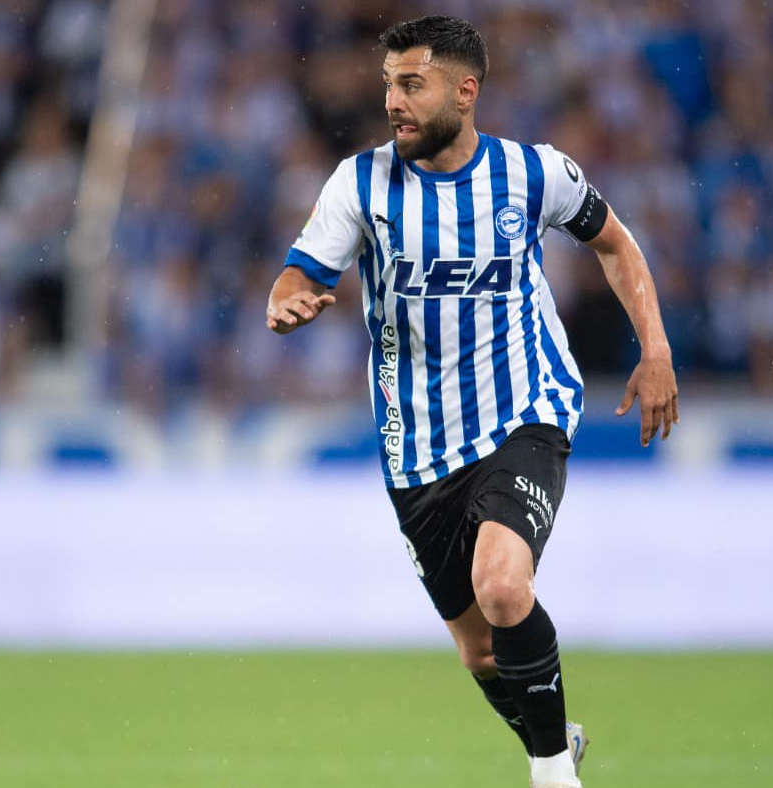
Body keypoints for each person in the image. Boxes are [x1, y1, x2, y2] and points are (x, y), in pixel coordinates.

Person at [264, 16, 678, 788]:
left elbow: (616, 244)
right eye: (388, 84)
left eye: (411, 84)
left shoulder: (535, 174)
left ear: (465, 91)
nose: (393, 101)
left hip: (524, 411)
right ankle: (558, 739)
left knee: (502, 585)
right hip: (417, 446)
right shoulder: (359, 184)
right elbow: (299, 272)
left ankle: (552, 773)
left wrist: (655, 349)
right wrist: (286, 301)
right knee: (481, 649)